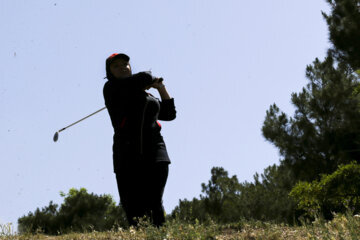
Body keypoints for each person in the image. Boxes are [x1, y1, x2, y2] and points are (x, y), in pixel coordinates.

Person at [103, 53, 176, 227]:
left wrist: (160, 88)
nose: (122, 67)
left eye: (125, 64)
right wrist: (150, 79)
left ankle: (160, 237)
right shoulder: (112, 88)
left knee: (154, 202)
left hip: (155, 152)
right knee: (134, 209)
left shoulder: (146, 95)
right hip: (127, 155)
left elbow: (169, 114)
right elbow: (144, 77)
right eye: (116, 66)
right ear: (110, 72)